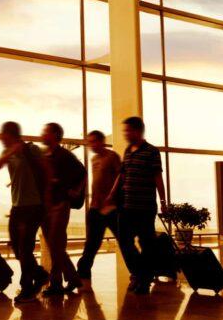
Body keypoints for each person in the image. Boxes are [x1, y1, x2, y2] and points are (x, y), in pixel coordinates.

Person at [106, 116, 167, 295]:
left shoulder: (152, 152)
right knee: (124, 242)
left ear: (138, 131)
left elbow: (158, 178)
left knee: (146, 244)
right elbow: (123, 174)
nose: (125, 134)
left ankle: (143, 280)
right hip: (126, 206)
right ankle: (140, 274)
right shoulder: (128, 151)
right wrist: (112, 192)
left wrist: (163, 201)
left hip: (145, 207)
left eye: (128, 131)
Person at [0, 121, 48, 303]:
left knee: (25, 248)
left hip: (34, 205)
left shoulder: (31, 149)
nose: (1, 139)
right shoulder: (8, 152)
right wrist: (11, 151)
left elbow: (46, 171)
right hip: (17, 205)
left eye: (4, 135)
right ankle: (39, 274)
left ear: (12, 134)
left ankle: (27, 287)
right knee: (16, 247)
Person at [39, 123, 87, 297]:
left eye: (46, 132)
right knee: (55, 246)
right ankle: (73, 278)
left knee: (55, 244)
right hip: (46, 206)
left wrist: (74, 191)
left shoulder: (64, 155)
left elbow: (82, 173)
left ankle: (56, 284)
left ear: (54, 135)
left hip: (60, 205)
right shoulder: (45, 156)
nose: (42, 134)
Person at [76, 130, 122, 291]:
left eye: (94, 141)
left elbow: (121, 177)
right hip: (95, 208)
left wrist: (112, 195)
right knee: (92, 244)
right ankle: (82, 273)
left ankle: (139, 273)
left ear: (102, 141)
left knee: (124, 241)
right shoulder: (94, 159)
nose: (91, 145)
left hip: (111, 209)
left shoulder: (112, 157)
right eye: (89, 142)